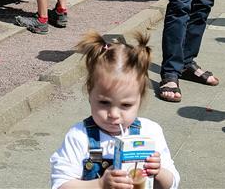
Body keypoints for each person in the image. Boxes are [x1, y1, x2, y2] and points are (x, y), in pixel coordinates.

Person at [49, 31, 180, 189]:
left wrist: (158, 172)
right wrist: (99, 184)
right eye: (104, 102)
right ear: (90, 94)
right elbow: (60, 184)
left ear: (139, 99)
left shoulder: (150, 132)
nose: (113, 114)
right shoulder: (79, 136)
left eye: (126, 105)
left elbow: (172, 183)